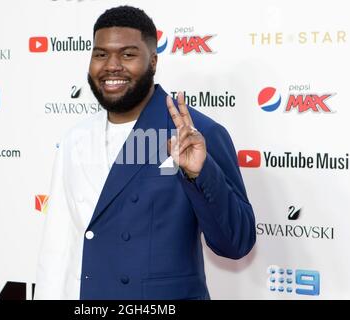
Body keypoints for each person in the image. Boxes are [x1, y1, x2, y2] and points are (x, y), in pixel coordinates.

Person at [35, 5, 256, 300]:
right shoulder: (74, 139)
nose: (111, 66)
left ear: (152, 61)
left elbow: (236, 243)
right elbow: (57, 248)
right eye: (100, 54)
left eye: (127, 54)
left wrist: (200, 173)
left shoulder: (197, 133)